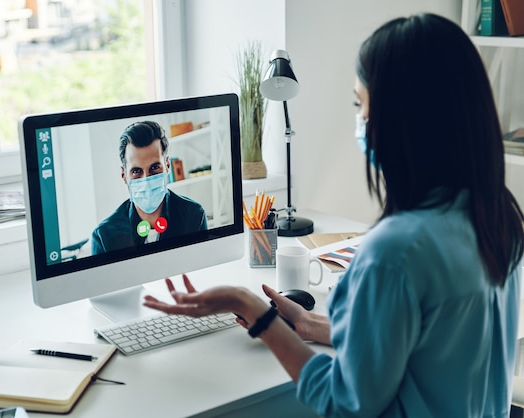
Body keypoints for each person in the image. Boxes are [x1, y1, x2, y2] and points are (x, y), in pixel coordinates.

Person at [143, 13, 524, 417]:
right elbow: (428, 348)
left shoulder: (396, 252)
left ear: (402, 119)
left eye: (361, 104)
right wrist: (311, 327)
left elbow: (344, 402)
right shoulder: (499, 214)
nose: (359, 120)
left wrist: (250, 307)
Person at [91, 121, 208, 255]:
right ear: (124, 175)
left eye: (154, 168)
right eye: (136, 171)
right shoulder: (104, 237)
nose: (146, 180)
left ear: (167, 166)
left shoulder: (194, 217)